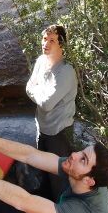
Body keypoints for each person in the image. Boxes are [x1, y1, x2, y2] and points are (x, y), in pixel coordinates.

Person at [26, 24, 82, 198]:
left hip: (59, 132)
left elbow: (46, 103)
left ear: (61, 45)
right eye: (44, 39)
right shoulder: (41, 62)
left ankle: (60, 210)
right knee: (43, 169)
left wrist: (37, 91)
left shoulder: (65, 71)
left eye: (52, 40)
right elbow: (28, 87)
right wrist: (39, 92)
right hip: (42, 128)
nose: (46, 43)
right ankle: (43, 201)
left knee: (59, 178)